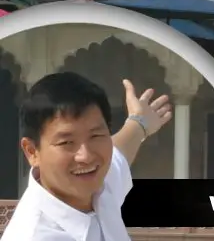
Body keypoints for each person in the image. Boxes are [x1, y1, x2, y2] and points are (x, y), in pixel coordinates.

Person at [3, 72, 173, 241]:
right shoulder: (33, 235)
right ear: (32, 151)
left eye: (96, 136)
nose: (86, 156)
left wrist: (139, 122)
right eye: (66, 143)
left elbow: (120, 151)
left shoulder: (100, 186)